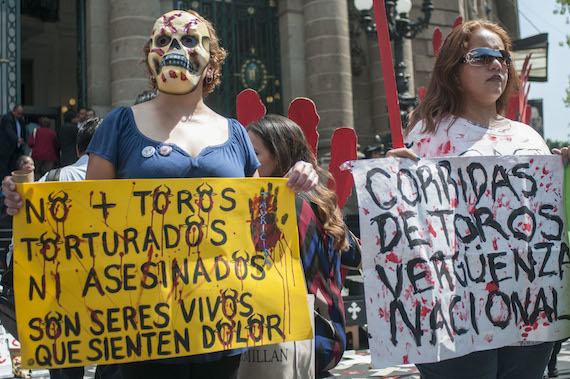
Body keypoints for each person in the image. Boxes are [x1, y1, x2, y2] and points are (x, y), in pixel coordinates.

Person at [2, 9, 317, 379]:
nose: (174, 49)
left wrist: (297, 179)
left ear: (211, 60)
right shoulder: (120, 125)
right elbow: (86, 217)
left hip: (222, 333)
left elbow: (254, 225)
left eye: (188, 40)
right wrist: (30, 204)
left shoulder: (234, 134)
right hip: (140, 338)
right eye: (163, 40)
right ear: (150, 56)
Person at [387, 19, 569, 379]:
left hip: (528, 307)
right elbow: (411, 225)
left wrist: (560, 171)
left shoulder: (530, 137)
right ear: (454, 73)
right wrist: (394, 179)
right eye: (481, 56)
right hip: (456, 310)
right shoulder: (428, 135)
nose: (497, 64)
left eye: (502, 57)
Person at [247, 114, 361, 376]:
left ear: (280, 155)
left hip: (290, 344)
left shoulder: (276, 211)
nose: (247, 164)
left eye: (254, 154)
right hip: (327, 339)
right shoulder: (320, 203)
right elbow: (357, 257)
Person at [0, 105, 26, 179]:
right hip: (6, 148)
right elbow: (9, 130)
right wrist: (17, 139)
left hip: (16, 148)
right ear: (14, 111)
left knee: (14, 168)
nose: (19, 115)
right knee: (4, 168)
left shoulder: (21, 120)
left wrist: (23, 141)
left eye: (21, 114)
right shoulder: (7, 118)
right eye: (18, 113)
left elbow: (23, 131)